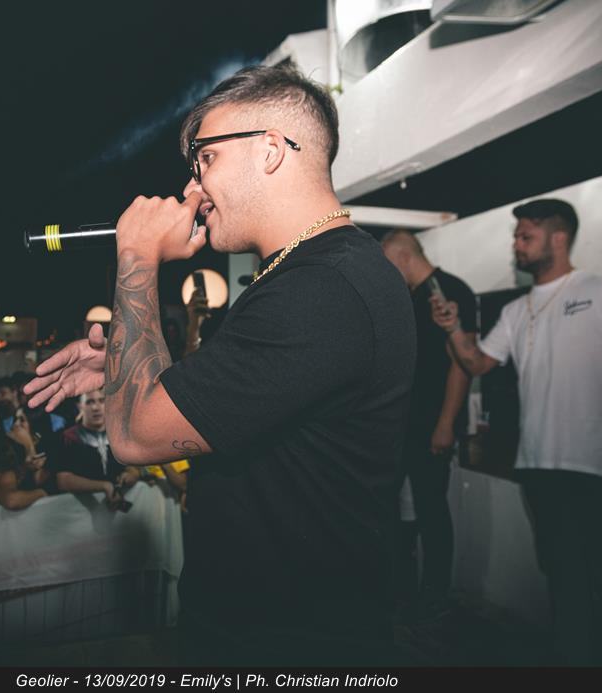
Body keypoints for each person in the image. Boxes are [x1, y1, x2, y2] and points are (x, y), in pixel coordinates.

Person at [25, 65, 416, 665]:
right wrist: (123, 367)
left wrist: (137, 255)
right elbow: (224, 399)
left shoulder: (321, 291)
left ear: (270, 150)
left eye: (205, 159)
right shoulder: (314, 276)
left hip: (291, 643)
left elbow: (133, 437)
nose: (192, 190)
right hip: (274, 625)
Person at [430, 198, 602, 664]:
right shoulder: (517, 311)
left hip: (596, 464)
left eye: (525, 236)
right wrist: (453, 329)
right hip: (537, 465)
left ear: (558, 237)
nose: (516, 244)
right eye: (516, 236)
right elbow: (477, 363)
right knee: (562, 574)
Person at [382, 229, 477, 622]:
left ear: (403, 257)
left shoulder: (449, 290)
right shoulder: (409, 297)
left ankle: (435, 595)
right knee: (389, 507)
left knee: (431, 509)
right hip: (403, 425)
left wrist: (445, 424)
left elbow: (460, 366)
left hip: (432, 423)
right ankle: (400, 592)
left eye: (388, 264)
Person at [55, 389, 139, 510]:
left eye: (101, 401)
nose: (96, 408)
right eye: (89, 402)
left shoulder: (119, 434)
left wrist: (131, 475)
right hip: (80, 512)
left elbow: (131, 467)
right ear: (80, 406)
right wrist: (103, 486)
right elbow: (63, 481)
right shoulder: (68, 437)